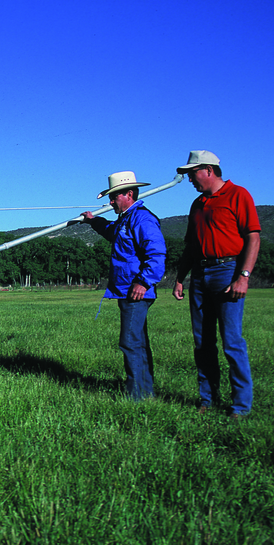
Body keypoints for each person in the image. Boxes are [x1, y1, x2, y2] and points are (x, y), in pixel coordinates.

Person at [172, 150, 261, 420]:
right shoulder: (197, 204)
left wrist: (243, 276)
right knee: (203, 343)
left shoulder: (238, 195)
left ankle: (240, 406)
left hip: (228, 271)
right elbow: (190, 246)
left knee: (231, 342)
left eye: (192, 173)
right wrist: (179, 277)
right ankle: (208, 399)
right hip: (199, 274)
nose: (189, 179)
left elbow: (253, 237)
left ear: (209, 170)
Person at [83, 171, 166, 400]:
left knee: (130, 342)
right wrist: (94, 221)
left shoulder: (142, 219)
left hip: (136, 291)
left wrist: (143, 282)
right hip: (126, 290)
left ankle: (136, 396)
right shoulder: (126, 219)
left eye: (114, 197)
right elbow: (113, 233)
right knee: (137, 342)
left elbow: (156, 254)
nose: (111, 202)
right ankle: (145, 392)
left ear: (129, 194)